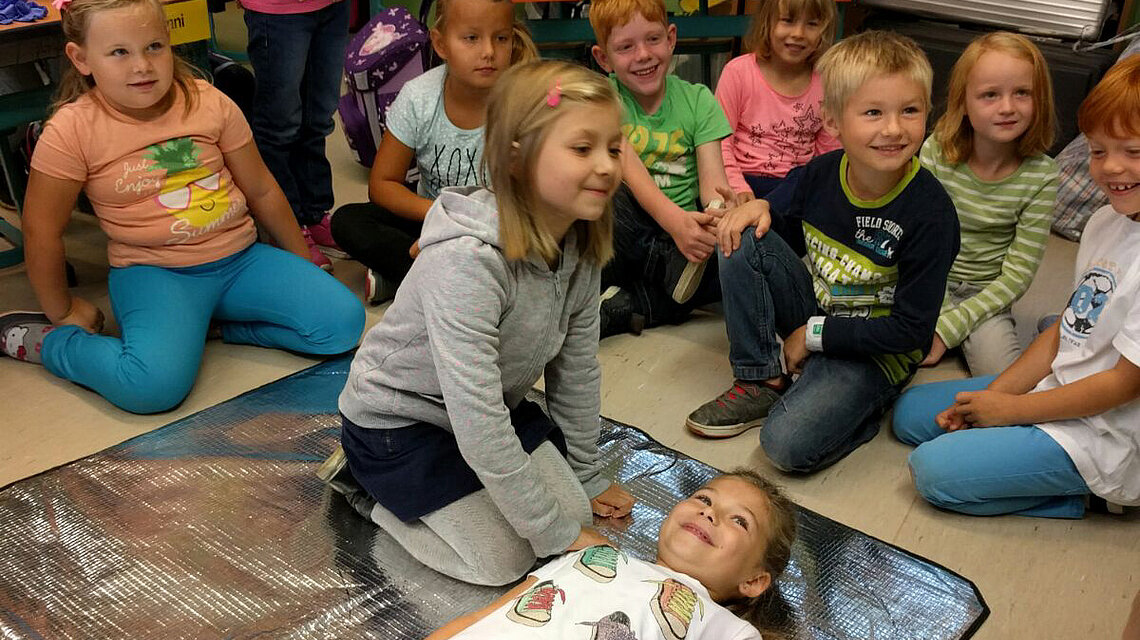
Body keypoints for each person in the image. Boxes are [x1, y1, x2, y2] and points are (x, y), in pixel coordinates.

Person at [319, 60, 635, 586]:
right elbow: (478, 418)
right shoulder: (468, 260)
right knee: (502, 561)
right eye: (582, 149)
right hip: (400, 426)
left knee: (573, 514)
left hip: (487, 413)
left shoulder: (580, 247)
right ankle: (364, 490)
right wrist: (550, 532)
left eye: (614, 148)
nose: (606, 166)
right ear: (517, 158)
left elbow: (576, 376)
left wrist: (585, 475)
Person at [0, 0, 364, 414]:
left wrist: (301, 262)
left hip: (240, 259)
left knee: (341, 325)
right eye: (119, 52)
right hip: (154, 273)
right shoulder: (72, 130)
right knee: (150, 388)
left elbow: (262, 189)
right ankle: (46, 344)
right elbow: (41, 230)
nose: (142, 66)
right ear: (80, 58)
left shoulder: (207, 100)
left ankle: (216, 327)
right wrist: (61, 310)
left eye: (154, 46)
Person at [685, 31, 959, 475]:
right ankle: (762, 378)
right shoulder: (820, 173)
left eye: (910, 110)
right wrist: (755, 206)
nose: (893, 128)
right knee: (741, 233)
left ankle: (858, 407)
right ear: (832, 122)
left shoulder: (932, 214)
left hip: (878, 351)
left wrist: (813, 335)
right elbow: (775, 241)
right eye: (873, 112)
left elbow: (911, 333)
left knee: (784, 447)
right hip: (824, 311)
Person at [891, 55, 1140, 518]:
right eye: (1099, 151)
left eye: (1133, 152)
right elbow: (1067, 326)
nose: (1111, 169)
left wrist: (1009, 412)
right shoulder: (1107, 219)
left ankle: (1093, 496)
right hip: (1065, 379)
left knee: (933, 472)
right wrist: (1000, 395)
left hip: (1109, 433)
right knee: (909, 416)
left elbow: (1124, 385)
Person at [330, 0, 538, 305]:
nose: (489, 52)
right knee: (348, 221)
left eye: (501, 38)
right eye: (471, 38)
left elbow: (539, 195)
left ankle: (412, 279)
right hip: (431, 218)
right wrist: (440, 216)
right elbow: (383, 184)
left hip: (495, 227)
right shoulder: (419, 96)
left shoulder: (523, 100)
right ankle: (453, 282)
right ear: (440, 43)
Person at [426, 470, 797, 640]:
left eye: (738, 521)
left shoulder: (724, 626)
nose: (709, 512)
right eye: (703, 498)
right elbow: (488, 615)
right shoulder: (597, 556)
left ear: (754, 580)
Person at [588, 0, 736, 336]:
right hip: (627, 239)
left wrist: (717, 214)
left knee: (724, 253)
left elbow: (713, 186)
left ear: (671, 38)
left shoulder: (698, 100)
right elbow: (622, 162)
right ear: (603, 58)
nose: (643, 55)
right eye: (625, 47)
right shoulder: (603, 99)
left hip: (685, 250)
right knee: (607, 198)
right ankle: (657, 276)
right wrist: (675, 224)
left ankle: (620, 309)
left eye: (653, 39)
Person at [918, 32, 1059, 377]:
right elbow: (916, 238)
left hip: (987, 296)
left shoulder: (1042, 176)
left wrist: (949, 327)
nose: (1008, 107)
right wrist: (935, 310)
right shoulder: (936, 151)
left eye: (1022, 93)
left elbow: (1017, 277)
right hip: (926, 279)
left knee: (1003, 377)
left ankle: (1054, 333)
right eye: (990, 95)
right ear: (963, 102)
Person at [241, 0, 349, 271]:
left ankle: (313, 213)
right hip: (278, 11)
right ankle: (286, 225)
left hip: (332, 6)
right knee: (279, 124)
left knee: (318, 117)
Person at [715, 0, 840, 204]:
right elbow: (719, 141)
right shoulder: (738, 72)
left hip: (797, 187)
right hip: (743, 181)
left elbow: (828, 152)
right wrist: (737, 186)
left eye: (812, 24)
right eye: (787, 21)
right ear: (768, 22)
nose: (799, 33)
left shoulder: (827, 82)